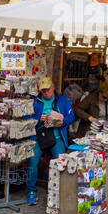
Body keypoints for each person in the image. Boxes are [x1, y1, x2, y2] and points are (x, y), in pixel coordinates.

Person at [26, 77, 75, 205]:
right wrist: (38, 119)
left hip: (56, 136)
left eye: (48, 90)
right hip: (38, 136)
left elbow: (72, 116)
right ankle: (31, 191)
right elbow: (27, 117)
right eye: (43, 91)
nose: (46, 93)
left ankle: (59, 191)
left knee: (61, 163)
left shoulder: (62, 100)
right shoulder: (35, 101)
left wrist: (62, 122)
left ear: (53, 87)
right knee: (32, 161)